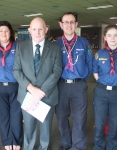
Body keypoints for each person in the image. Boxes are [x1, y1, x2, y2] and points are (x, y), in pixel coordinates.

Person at [13, 17, 62, 150]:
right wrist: (32, 89)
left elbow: (57, 72)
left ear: (46, 29)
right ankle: (28, 147)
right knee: (29, 127)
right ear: (29, 30)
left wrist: (42, 91)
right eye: (34, 29)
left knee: (46, 127)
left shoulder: (55, 48)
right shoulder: (21, 47)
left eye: (40, 28)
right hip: (28, 95)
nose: (37, 32)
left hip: (47, 95)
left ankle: (44, 147)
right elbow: (16, 71)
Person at [55, 12, 93, 150]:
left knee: (80, 118)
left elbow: (90, 63)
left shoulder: (84, 43)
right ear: (61, 25)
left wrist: (81, 79)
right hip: (61, 86)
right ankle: (65, 143)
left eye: (72, 22)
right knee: (61, 117)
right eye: (66, 22)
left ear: (76, 24)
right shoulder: (56, 44)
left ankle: (79, 146)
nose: (69, 25)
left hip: (79, 85)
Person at [0, 21, 23, 150]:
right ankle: (7, 141)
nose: (4, 33)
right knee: (4, 116)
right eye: (1, 31)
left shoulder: (18, 46)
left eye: (6, 30)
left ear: (11, 32)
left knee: (16, 115)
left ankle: (17, 141)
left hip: (15, 85)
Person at [93, 25, 117, 150]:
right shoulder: (99, 54)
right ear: (105, 38)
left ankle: (112, 147)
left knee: (115, 123)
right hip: (101, 92)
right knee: (100, 122)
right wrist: (106, 84)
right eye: (109, 35)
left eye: (115, 35)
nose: (112, 38)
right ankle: (99, 147)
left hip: (116, 93)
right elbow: (95, 74)